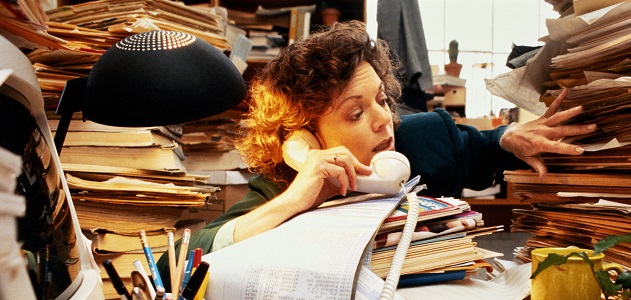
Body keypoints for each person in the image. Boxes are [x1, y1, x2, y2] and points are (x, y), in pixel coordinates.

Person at [157, 21, 595, 282]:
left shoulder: (424, 138)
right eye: (355, 113)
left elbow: (485, 148)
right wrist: (295, 198)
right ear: (307, 136)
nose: (384, 120)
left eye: (381, 100)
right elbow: (171, 265)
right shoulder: (283, 187)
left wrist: (507, 137)